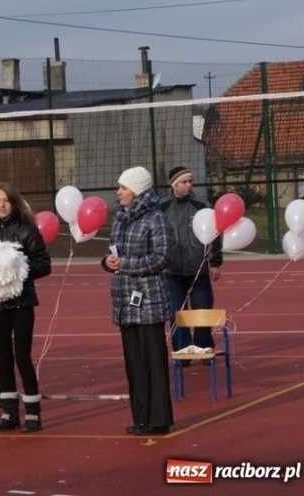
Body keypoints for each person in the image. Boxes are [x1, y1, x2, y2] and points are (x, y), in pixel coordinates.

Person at [102, 166, 175, 436]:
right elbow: (113, 254)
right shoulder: (120, 218)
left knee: (153, 362)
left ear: (136, 190)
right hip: (124, 300)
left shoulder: (156, 219)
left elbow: (161, 257)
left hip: (149, 302)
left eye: (123, 187)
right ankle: (141, 417)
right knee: (133, 364)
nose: (118, 192)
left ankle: (159, 418)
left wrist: (125, 265)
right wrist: (107, 263)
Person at [0, 182, 51, 432]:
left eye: (5, 200)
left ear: (14, 202)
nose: (1, 205)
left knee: (22, 356)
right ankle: (9, 413)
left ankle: (33, 413)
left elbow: (44, 264)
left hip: (21, 303)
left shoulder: (27, 230)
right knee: (3, 357)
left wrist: (16, 269)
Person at [161, 166, 222, 360]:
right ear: (174, 185)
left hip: (199, 270)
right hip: (172, 271)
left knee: (202, 310)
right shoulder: (161, 208)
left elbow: (215, 234)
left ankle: (204, 348)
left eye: (190, 181)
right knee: (177, 313)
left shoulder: (201, 206)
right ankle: (183, 351)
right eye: (184, 182)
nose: (189, 185)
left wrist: (215, 262)